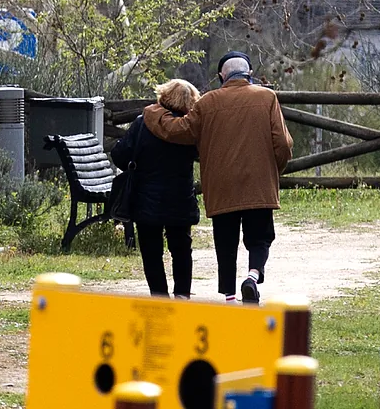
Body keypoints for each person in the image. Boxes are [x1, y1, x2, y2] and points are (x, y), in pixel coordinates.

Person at [142, 52, 292, 304]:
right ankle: (253, 277)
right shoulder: (267, 97)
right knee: (260, 237)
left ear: (221, 75)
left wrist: (154, 112)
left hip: (221, 186)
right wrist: (273, 169)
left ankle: (230, 296)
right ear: (250, 73)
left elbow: (178, 130)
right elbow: (283, 143)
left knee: (226, 242)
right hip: (258, 184)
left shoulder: (208, 102)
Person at [111, 79, 202, 299]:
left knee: (151, 253)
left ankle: (159, 298)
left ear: (164, 95)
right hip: (180, 198)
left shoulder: (143, 122)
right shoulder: (188, 130)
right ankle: (182, 295)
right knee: (181, 249)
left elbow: (119, 155)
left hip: (145, 198)